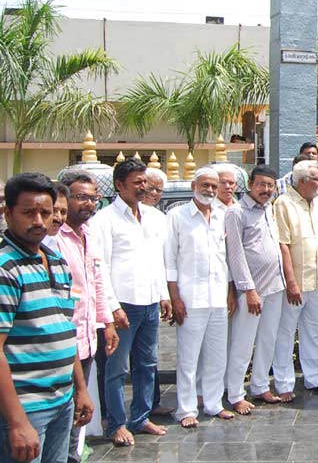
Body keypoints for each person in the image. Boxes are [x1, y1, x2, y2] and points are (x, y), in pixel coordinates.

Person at [0, 173, 94, 463]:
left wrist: (80, 390)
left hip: (62, 399)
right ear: (8, 213)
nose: (39, 221)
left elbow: (65, 328)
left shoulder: (56, 261)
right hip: (26, 405)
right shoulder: (6, 269)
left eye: (46, 212)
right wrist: (17, 422)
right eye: (28, 213)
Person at [91, 158, 170, 446]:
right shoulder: (104, 220)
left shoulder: (152, 216)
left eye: (144, 181)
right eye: (136, 182)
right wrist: (112, 308)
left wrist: (163, 295)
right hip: (122, 304)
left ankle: (140, 417)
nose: (142, 187)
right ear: (119, 185)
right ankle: (116, 423)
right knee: (117, 368)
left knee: (147, 363)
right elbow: (101, 267)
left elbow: (157, 260)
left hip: (149, 301)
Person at [164, 167, 235, 428]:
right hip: (190, 298)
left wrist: (230, 292)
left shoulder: (223, 215)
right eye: (205, 185)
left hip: (218, 296)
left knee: (217, 355)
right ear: (194, 185)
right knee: (188, 357)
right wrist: (175, 298)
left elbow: (225, 259)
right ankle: (186, 409)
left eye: (214, 187)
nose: (210, 191)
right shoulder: (177, 216)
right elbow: (170, 259)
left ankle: (214, 404)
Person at [56, 171, 118, 463]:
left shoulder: (88, 234)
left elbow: (97, 281)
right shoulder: (53, 238)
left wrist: (107, 322)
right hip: (60, 341)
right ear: (63, 198)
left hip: (86, 337)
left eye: (94, 198)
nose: (89, 204)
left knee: (77, 412)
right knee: (61, 413)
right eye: (81, 197)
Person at [224, 165, 285, 414]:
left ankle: (260, 385)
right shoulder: (236, 213)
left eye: (270, 185)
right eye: (261, 184)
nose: (266, 190)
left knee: (268, 339)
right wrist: (248, 290)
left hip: (274, 286)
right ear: (250, 184)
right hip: (252, 290)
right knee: (243, 343)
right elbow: (236, 255)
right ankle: (235, 393)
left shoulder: (269, 208)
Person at [273, 161, 318, 400]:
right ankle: (284, 383)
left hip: (317, 279)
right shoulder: (283, 204)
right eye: (316, 179)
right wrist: (291, 282)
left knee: (313, 331)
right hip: (295, 281)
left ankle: (313, 377)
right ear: (301, 181)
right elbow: (283, 245)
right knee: (287, 333)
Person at [139, 167, 172, 418]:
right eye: (149, 188)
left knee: (149, 357)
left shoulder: (160, 219)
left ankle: (151, 404)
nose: (153, 193)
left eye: (158, 190)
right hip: (124, 299)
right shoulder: (111, 218)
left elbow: (164, 260)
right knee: (116, 365)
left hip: (152, 295)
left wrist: (165, 294)